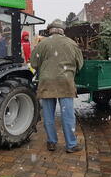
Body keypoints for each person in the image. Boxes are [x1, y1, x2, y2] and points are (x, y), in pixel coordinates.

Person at [30, 19, 83, 153]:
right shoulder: (72, 44)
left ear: (50, 30)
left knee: (48, 115)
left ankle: (52, 142)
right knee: (68, 116)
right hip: (65, 82)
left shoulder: (43, 44)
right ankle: (71, 145)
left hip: (47, 82)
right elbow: (80, 64)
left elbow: (34, 63)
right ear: (62, 30)